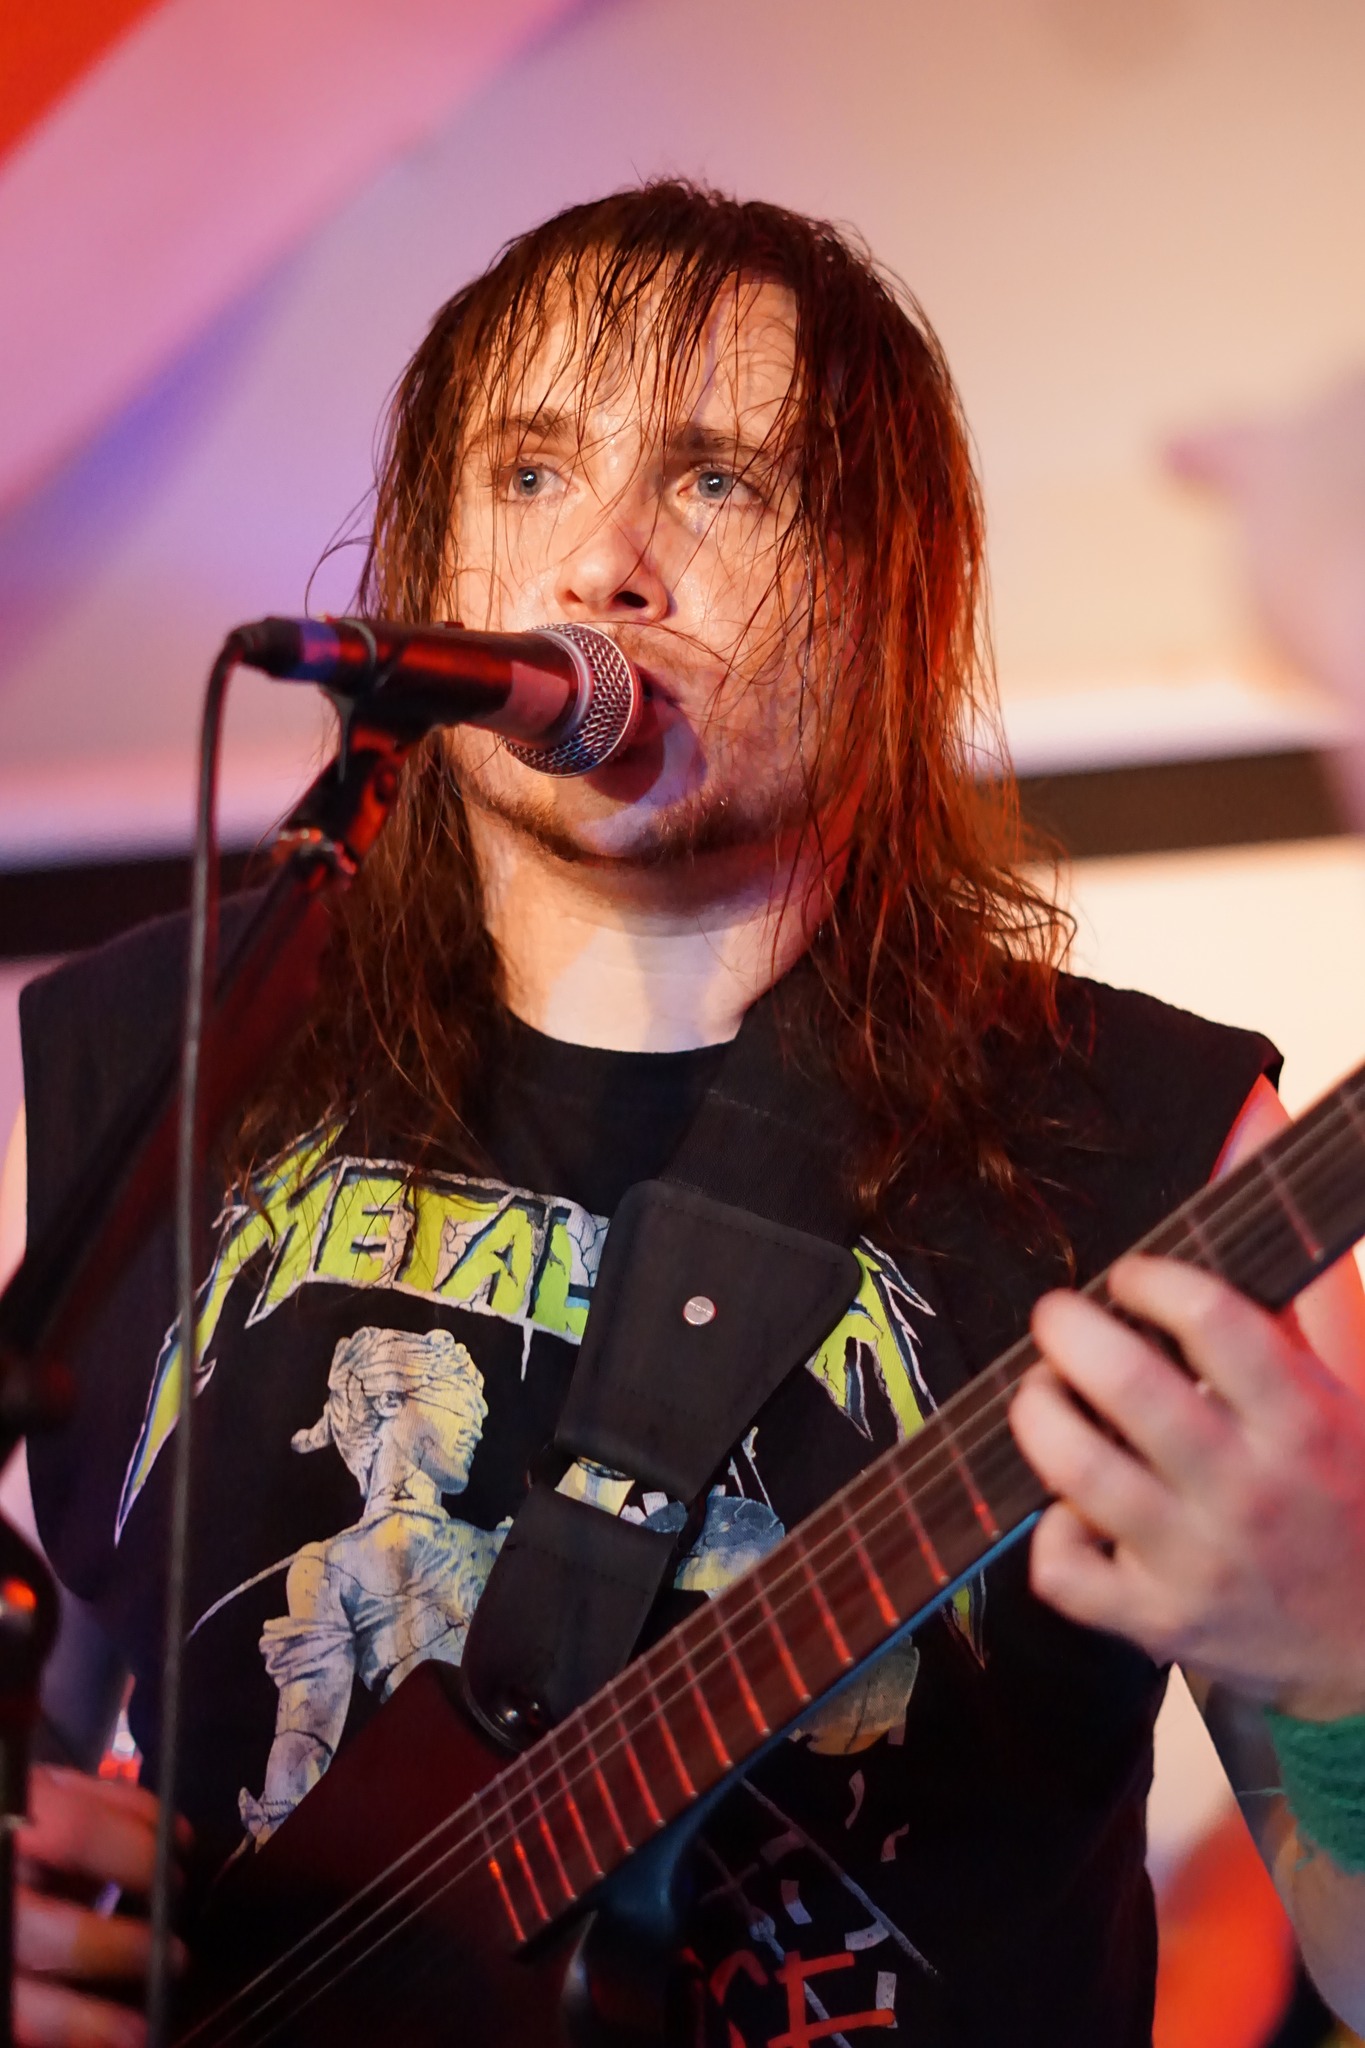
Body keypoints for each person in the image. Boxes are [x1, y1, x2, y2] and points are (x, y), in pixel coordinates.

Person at [2, 181, 1365, 2048]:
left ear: (892, 595)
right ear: (429, 554)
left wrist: (1341, 1672)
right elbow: (46, 1712)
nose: (603, 566)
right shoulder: (163, 1057)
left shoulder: (1157, 1148)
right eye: (532, 471)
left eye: (720, 481)